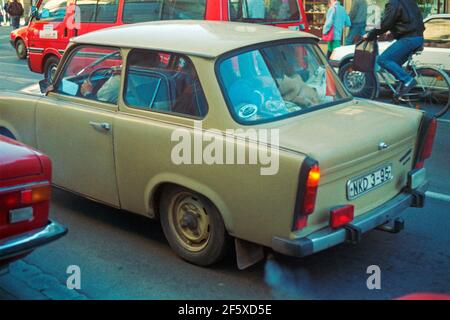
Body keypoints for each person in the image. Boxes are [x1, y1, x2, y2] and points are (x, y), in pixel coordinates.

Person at [364, 0, 425, 96]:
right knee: (395, 64)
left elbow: (386, 23)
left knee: (383, 60)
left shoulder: (394, 3)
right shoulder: (410, 2)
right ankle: (399, 92)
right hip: (418, 38)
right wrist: (393, 32)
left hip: (409, 39)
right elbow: (408, 21)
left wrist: (371, 34)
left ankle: (408, 80)